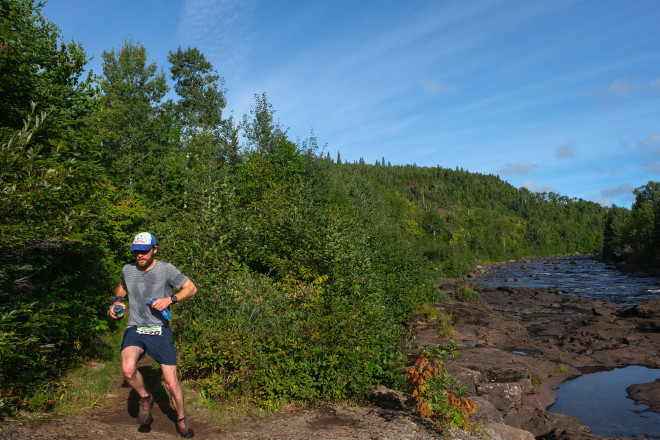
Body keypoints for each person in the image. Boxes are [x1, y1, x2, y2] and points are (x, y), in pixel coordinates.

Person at [109, 232, 197, 438]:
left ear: (154, 250)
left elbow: (191, 288)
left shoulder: (165, 269)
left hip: (159, 330)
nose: (139, 255)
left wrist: (171, 299)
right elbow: (122, 285)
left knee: (171, 383)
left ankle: (181, 418)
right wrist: (116, 301)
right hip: (135, 328)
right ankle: (146, 397)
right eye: (136, 252)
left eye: (144, 251)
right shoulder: (127, 269)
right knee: (127, 368)